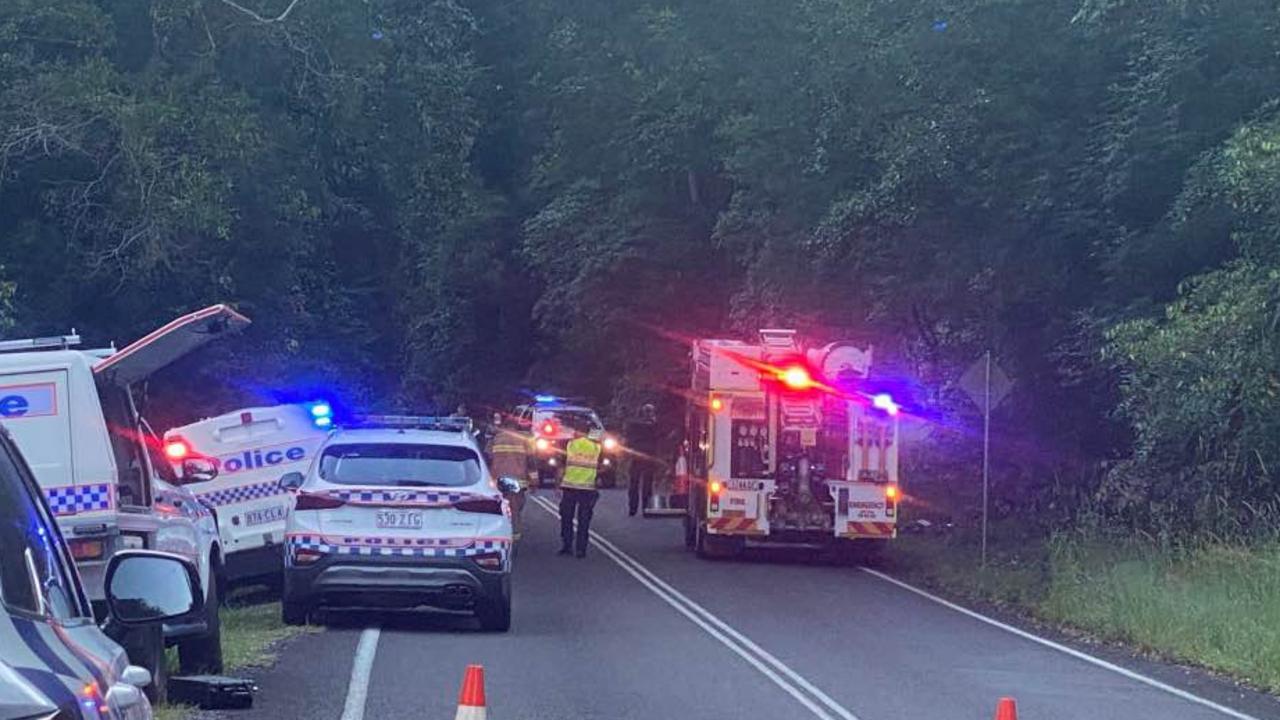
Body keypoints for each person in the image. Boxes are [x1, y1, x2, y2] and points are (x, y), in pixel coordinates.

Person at [558, 421, 602, 558]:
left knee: (566, 517)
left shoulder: (570, 445)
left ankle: (567, 546)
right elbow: (602, 465)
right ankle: (581, 549)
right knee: (584, 520)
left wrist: (557, 484)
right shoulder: (596, 447)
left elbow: (561, 466)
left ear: (577, 431)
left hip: (569, 487)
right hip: (588, 488)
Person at [487, 412, 531, 540]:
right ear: (517, 427)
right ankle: (514, 536)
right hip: (517, 481)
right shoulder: (524, 440)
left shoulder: (496, 439)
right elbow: (531, 460)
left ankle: (498, 534)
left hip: (498, 481)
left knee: (498, 508)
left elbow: (487, 458)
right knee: (515, 509)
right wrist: (534, 480)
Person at [625, 403, 660, 516]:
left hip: (637, 456)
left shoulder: (634, 425)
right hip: (648, 457)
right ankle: (645, 508)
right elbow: (659, 437)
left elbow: (628, 437)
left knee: (634, 483)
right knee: (647, 485)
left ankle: (633, 508)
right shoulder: (653, 426)